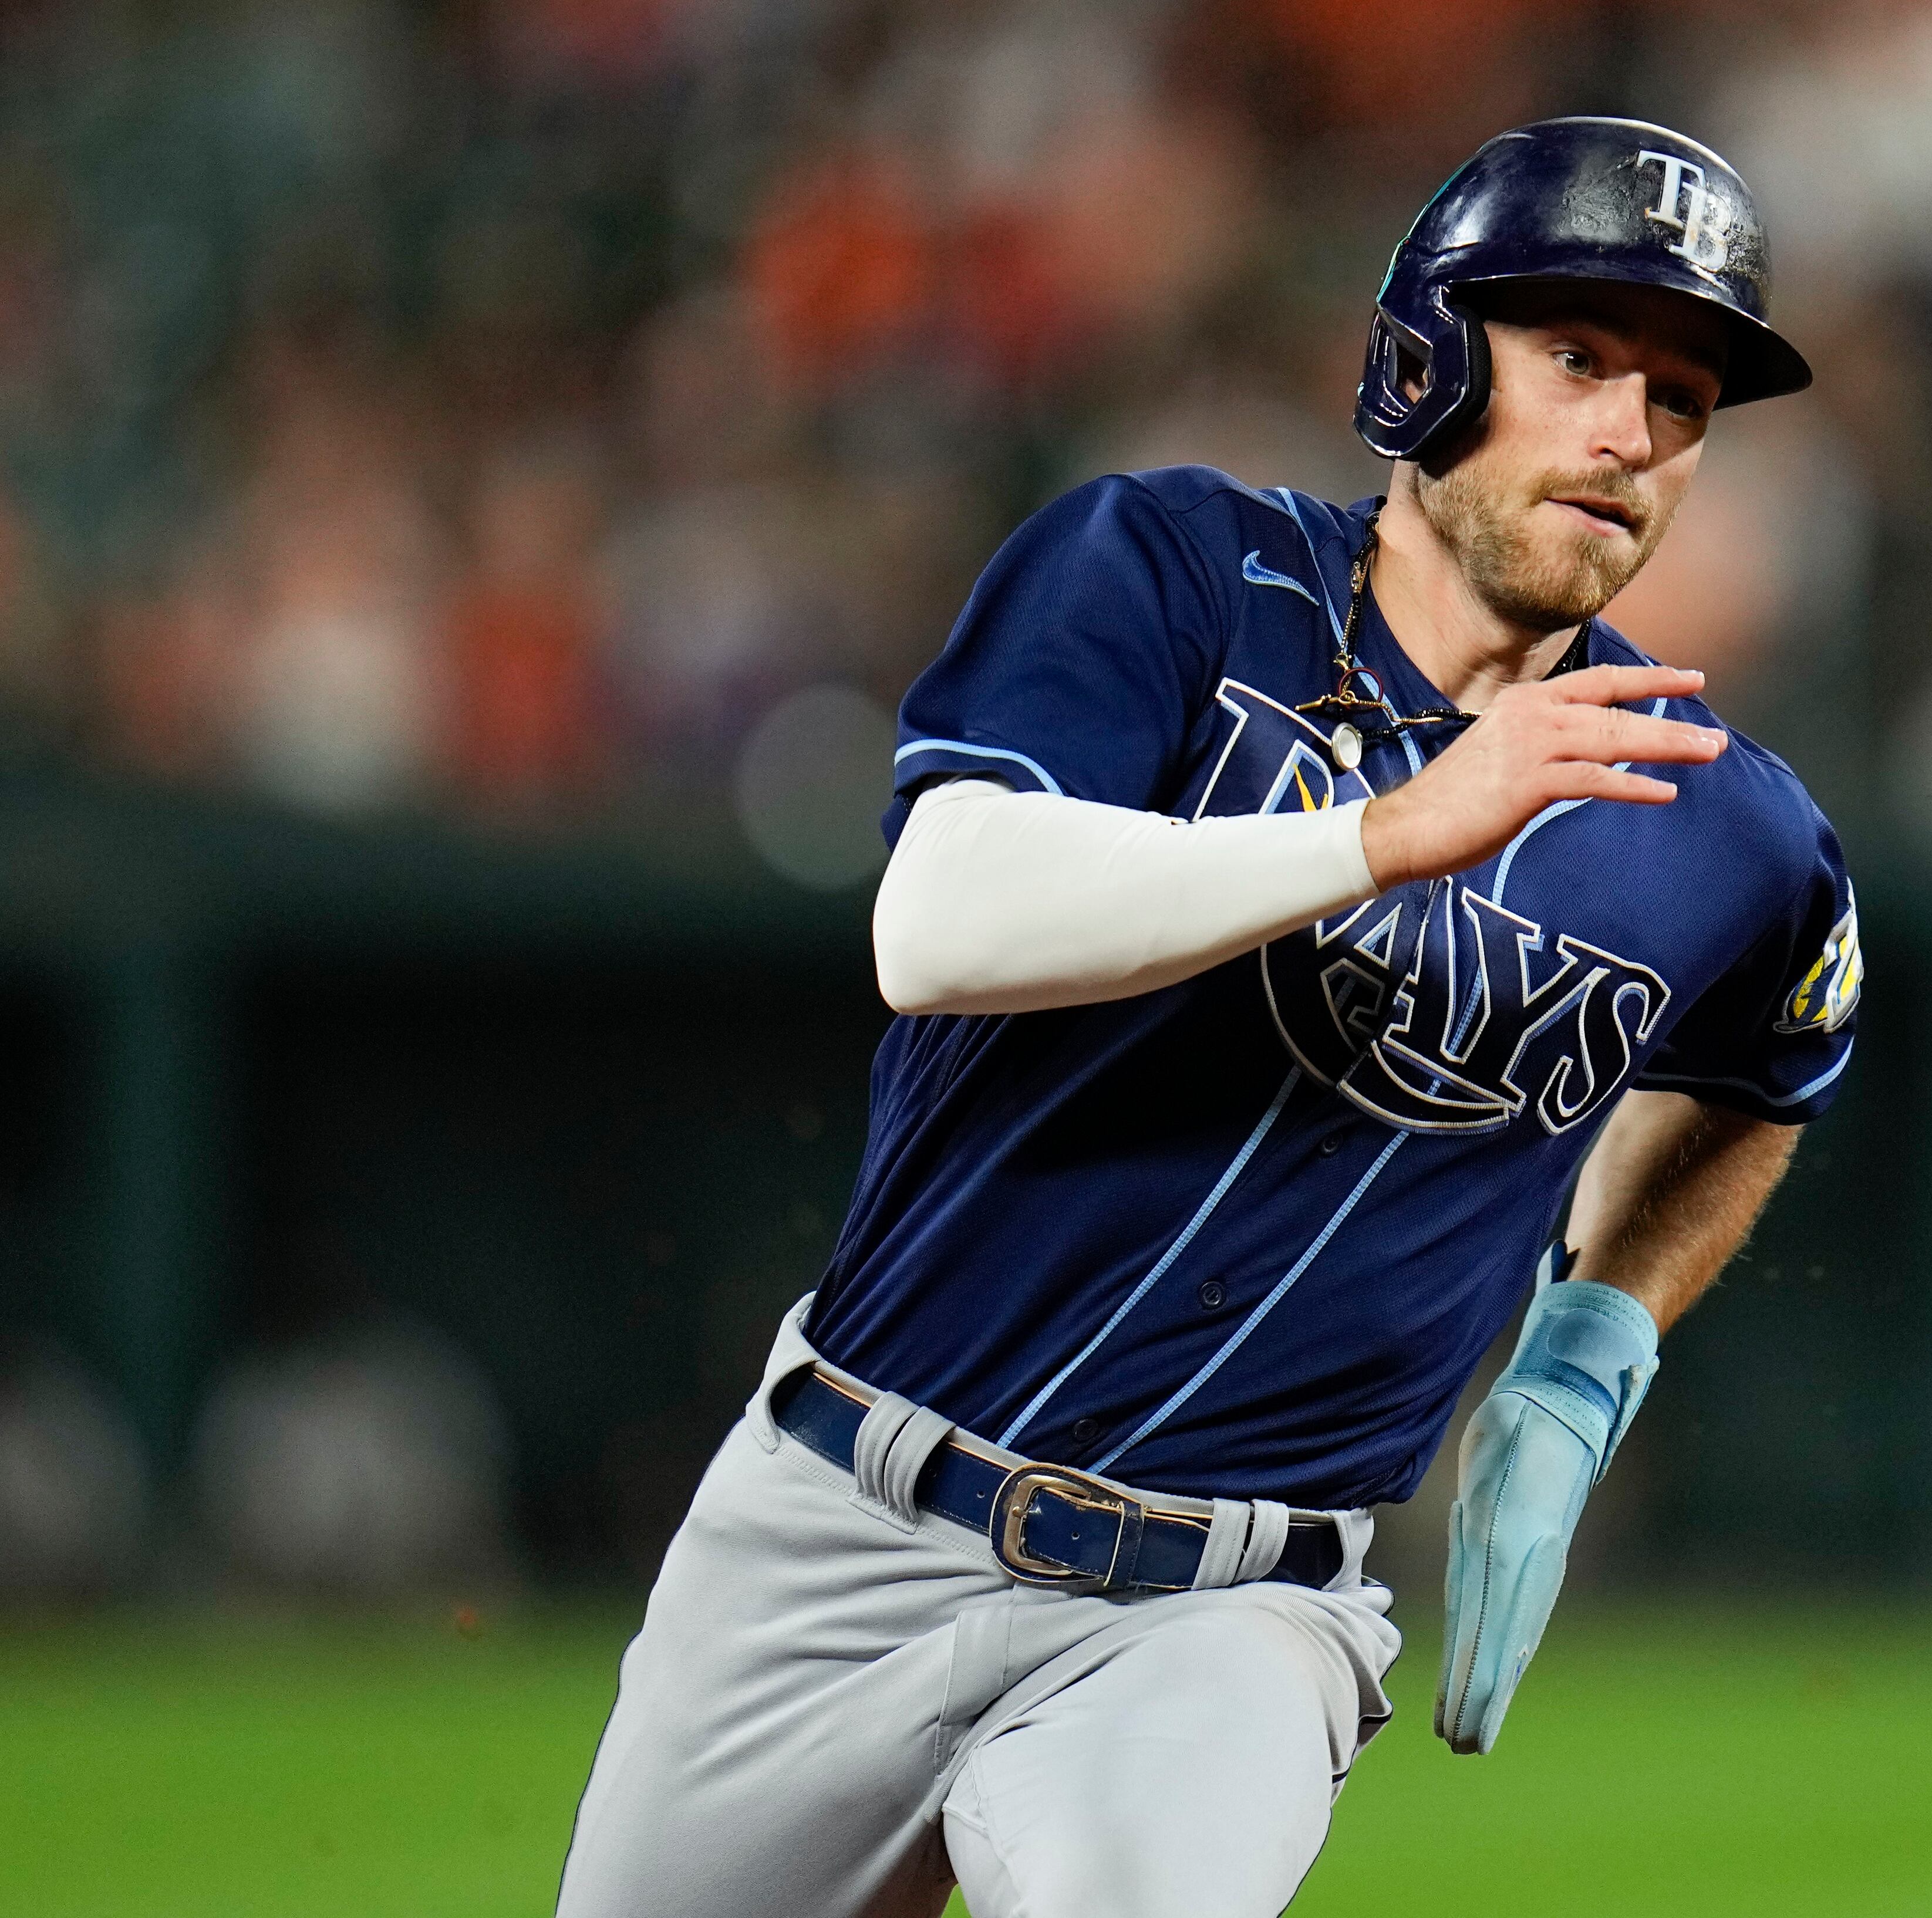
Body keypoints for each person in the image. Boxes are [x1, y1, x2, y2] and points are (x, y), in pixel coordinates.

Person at [556, 116, 1863, 1918]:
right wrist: (1392, 835)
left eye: (1684, 398)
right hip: (842, 1523)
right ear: (1425, 359)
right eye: (1577, 359)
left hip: (1223, 1621)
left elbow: (1768, 1067)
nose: (1630, 434)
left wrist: (1590, 1349)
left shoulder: (1721, 823)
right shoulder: (1171, 575)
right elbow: (942, 916)